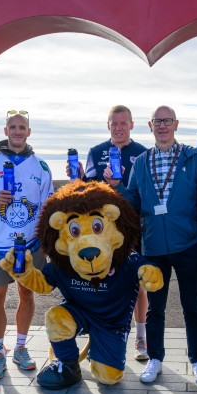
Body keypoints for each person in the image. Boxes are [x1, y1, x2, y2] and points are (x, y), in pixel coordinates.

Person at [104, 105, 197, 386]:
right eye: (157, 122)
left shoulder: (193, 158)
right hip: (153, 247)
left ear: (176, 124)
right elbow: (132, 201)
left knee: (192, 306)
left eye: (167, 121)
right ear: (150, 126)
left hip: (188, 245)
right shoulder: (141, 162)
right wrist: (116, 186)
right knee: (156, 309)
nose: (162, 126)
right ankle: (155, 358)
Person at [0, 109, 54, 379]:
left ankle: (21, 348)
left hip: (28, 244)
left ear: (29, 132)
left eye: (22, 127)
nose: (17, 131)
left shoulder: (41, 167)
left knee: (27, 294)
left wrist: (46, 239)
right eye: (13, 127)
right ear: (6, 132)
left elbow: (48, 205)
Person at [70, 104, 150, 361]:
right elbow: (87, 190)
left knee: (138, 283)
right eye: (114, 123)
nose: (118, 128)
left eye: (123, 123)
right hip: (103, 232)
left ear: (131, 125)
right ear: (108, 125)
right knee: (102, 284)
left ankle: (141, 338)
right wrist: (79, 178)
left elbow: (145, 194)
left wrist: (121, 185)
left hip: (134, 228)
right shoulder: (96, 152)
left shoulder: (143, 153)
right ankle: (100, 336)